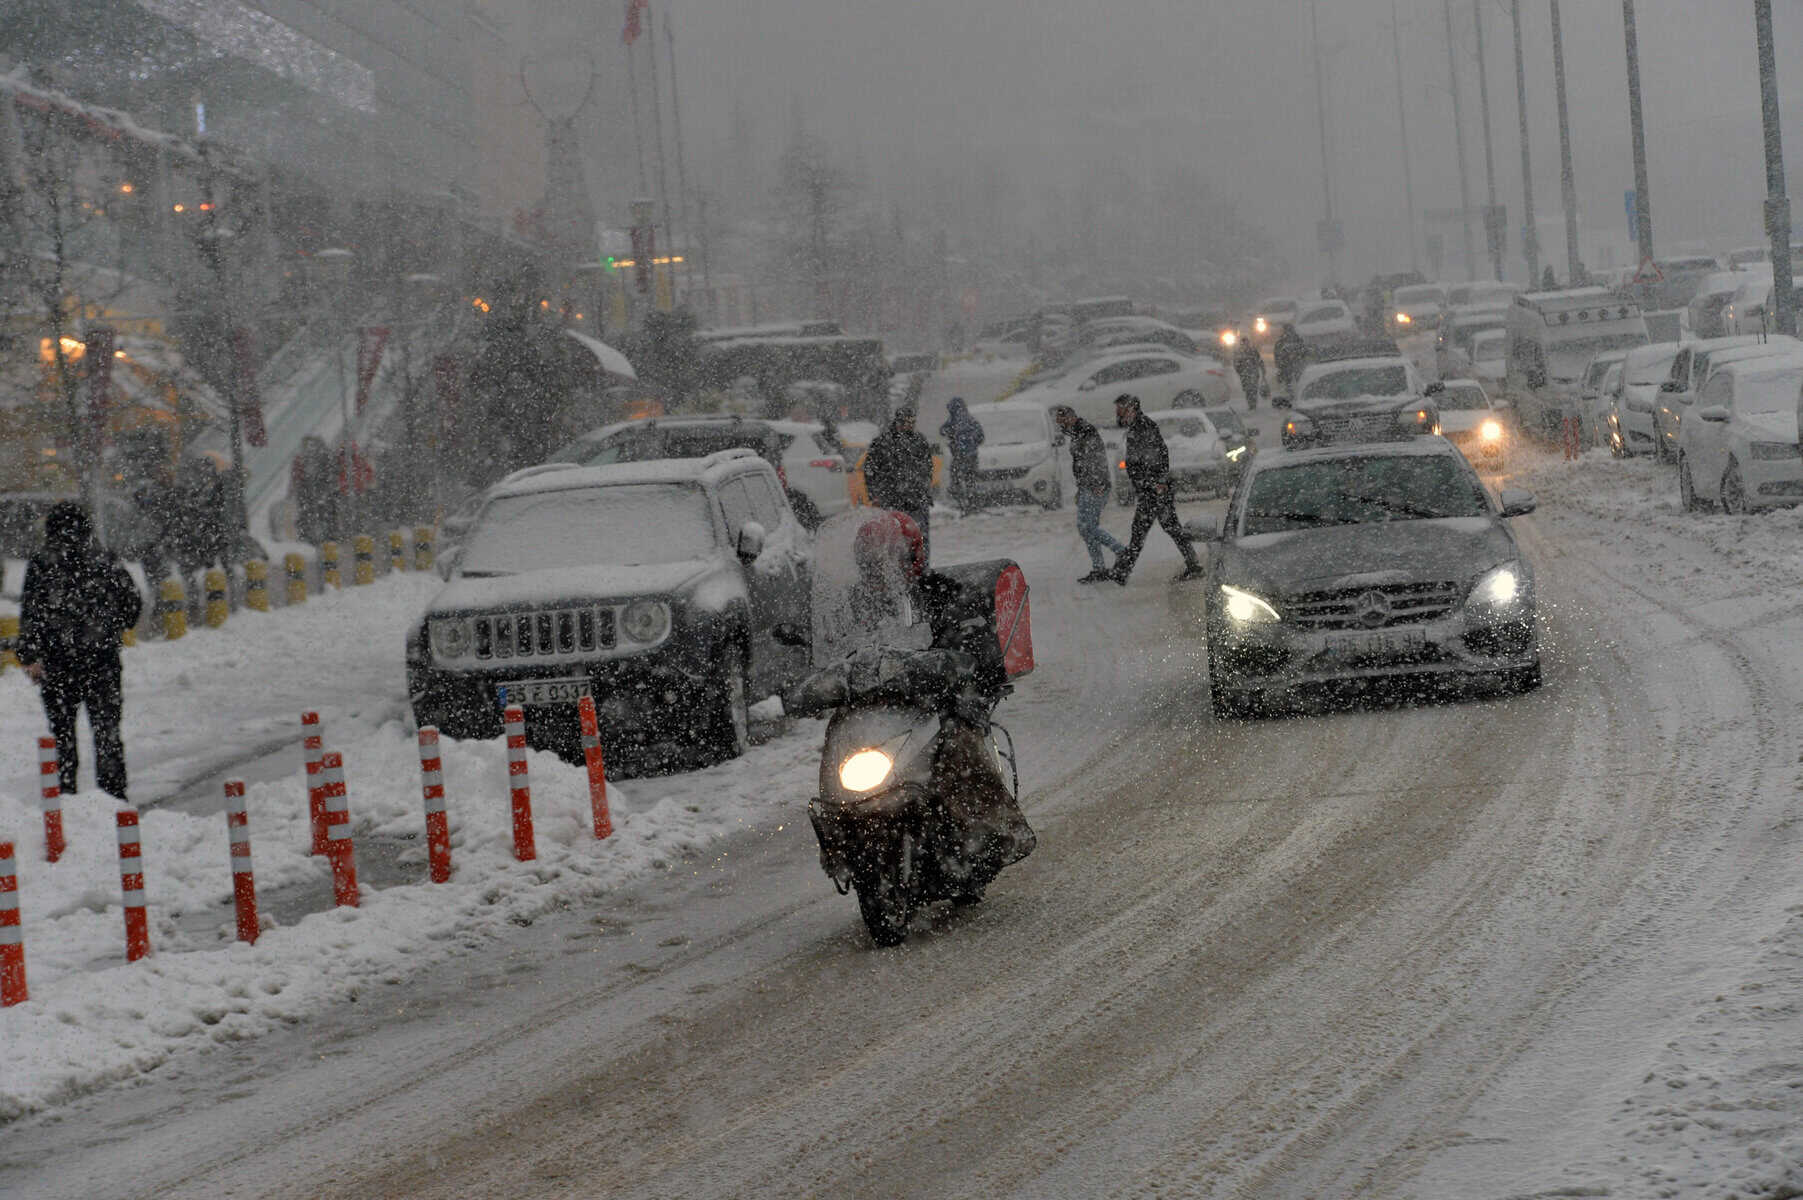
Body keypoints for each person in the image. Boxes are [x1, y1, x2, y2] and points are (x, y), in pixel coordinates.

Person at [16, 502, 143, 800]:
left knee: (62, 736)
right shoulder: (104, 559)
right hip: (102, 661)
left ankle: (67, 797)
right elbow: (132, 602)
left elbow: (31, 612)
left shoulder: (42, 562)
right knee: (107, 732)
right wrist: (114, 627)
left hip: (58, 664)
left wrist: (30, 655)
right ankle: (113, 797)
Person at [1109, 394, 1202, 585]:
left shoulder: (1144, 427)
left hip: (1155, 490)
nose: (1118, 413)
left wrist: (1157, 482)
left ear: (1131, 408)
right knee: (1165, 528)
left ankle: (1122, 572)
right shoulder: (1136, 427)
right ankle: (1193, 564)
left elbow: (1159, 454)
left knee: (1145, 530)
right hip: (1151, 489)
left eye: (1120, 409)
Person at [1052, 404, 1126, 583]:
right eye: (1058, 423)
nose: (1061, 426)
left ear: (1070, 417)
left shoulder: (1086, 432)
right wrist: (1081, 487)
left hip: (1095, 485)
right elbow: (1082, 463)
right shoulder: (1078, 432)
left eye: (1062, 421)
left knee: (1088, 527)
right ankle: (1099, 567)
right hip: (1088, 485)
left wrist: (1096, 483)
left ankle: (1121, 551)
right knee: (1085, 528)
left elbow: (1095, 459)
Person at [862, 406, 935, 560]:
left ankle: (920, 570)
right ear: (899, 421)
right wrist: (875, 495)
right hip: (893, 499)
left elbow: (928, 466)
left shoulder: (919, 440)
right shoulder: (882, 443)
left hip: (915, 499)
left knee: (920, 539)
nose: (911, 425)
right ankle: (903, 570)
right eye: (908, 421)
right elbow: (869, 470)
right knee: (896, 540)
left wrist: (924, 487)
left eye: (913, 421)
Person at [938, 396, 985, 514]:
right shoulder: (971, 420)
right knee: (970, 480)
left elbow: (942, 430)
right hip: (971, 456)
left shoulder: (954, 420)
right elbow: (980, 437)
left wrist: (952, 438)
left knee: (957, 481)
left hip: (959, 456)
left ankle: (962, 505)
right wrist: (972, 445)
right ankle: (972, 504)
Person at [1273, 322, 1308, 399]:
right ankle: (1298, 394)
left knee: (1289, 381)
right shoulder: (1297, 339)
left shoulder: (1281, 340)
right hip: (1295, 364)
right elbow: (1304, 351)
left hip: (1288, 364)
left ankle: (1292, 394)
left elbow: (1277, 353)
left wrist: (1279, 363)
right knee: (1297, 380)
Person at [1232, 332, 1265, 410]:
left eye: (1246, 343)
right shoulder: (1241, 352)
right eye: (1244, 343)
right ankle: (1251, 404)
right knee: (1249, 390)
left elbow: (1260, 361)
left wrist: (1262, 370)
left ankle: (1252, 404)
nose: (1245, 345)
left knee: (1252, 389)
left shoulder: (1251, 351)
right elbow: (1236, 364)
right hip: (1247, 374)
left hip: (1250, 374)